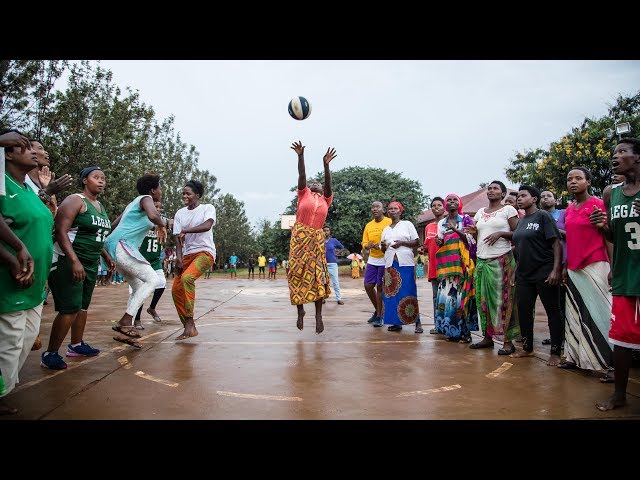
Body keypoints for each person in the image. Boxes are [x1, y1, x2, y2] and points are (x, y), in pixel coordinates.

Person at [0, 134, 53, 415]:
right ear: (7, 154)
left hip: (36, 282)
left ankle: (5, 386)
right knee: (10, 342)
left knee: (25, 340)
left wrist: (47, 189)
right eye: (27, 147)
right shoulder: (2, 184)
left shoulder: (28, 188)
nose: (35, 152)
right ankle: (2, 392)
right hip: (14, 278)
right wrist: (12, 256)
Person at [41, 166, 111, 369]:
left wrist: (105, 256)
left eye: (103, 178)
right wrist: (74, 261)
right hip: (68, 260)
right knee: (69, 308)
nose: (101, 181)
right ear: (84, 180)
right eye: (96, 177)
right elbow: (60, 232)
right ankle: (50, 353)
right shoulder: (75, 200)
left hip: (89, 263)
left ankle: (76, 345)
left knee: (82, 307)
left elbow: (98, 235)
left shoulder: (99, 206)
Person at [590, 137, 640, 411]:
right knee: (621, 340)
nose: (615, 156)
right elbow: (614, 235)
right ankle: (619, 395)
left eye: (622, 152)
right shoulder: (611, 193)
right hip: (625, 273)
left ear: (638, 158)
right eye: (614, 152)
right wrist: (602, 227)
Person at [559, 167, 613, 379]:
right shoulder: (570, 209)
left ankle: (606, 362)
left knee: (600, 313)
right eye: (569, 179)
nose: (573, 182)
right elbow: (569, 241)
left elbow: (609, 236)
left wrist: (613, 267)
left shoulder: (598, 204)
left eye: (578, 178)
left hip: (595, 263)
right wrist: (564, 267)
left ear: (588, 182)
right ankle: (577, 358)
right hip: (574, 267)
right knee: (575, 314)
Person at [103, 173, 168, 349]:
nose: (160, 191)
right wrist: (162, 224)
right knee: (153, 280)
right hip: (122, 246)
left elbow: (115, 223)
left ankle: (127, 326)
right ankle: (126, 320)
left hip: (116, 246)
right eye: (159, 188)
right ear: (153, 190)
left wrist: (106, 245)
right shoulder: (145, 198)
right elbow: (154, 216)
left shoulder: (133, 204)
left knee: (139, 286)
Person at [286, 141, 336, 334]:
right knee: (297, 272)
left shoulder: (326, 199)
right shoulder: (303, 193)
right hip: (300, 237)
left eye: (319, 183)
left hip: (316, 238)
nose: (315, 183)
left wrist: (326, 165)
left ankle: (318, 315)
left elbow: (328, 183)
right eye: (312, 183)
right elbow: (302, 176)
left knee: (318, 276)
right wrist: (300, 156)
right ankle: (300, 311)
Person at [510, 185, 563, 366]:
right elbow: (520, 249)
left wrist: (556, 269)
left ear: (534, 199)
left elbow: (556, 243)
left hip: (544, 272)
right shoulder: (521, 221)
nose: (519, 198)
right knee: (524, 310)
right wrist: (515, 272)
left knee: (553, 311)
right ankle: (527, 348)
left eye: (523, 196)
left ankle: (555, 352)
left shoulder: (543, 216)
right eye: (518, 196)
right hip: (524, 275)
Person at [467, 181, 520, 354]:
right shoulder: (481, 212)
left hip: (501, 261)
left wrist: (501, 233)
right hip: (482, 261)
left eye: (495, 188)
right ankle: (487, 337)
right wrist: (473, 232)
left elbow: (518, 234)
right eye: (489, 188)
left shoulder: (508, 210)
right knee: (483, 301)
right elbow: (478, 233)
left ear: (503, 194)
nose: (491, 190)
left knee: (503, 301)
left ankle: (507, 341)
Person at [172, 179, 216, 340]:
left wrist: (186, 230)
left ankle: (190, 322)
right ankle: (189, 327)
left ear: (197, 195)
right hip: (187, 254)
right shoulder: (179, 213)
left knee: (187, 278)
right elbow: (177, 239)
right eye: (183, 193)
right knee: (176, 290)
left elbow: (207, 225)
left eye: (188, 193)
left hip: (205, 252)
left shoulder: (207, 208)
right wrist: (178, 258)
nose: (184, 196)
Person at [433, 193, 478, 342]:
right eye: (449, 200)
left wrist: (455, 229)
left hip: (462, 266)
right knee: (447, 300)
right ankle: (452, 332)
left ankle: (466, 333)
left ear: (459, 204)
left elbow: (470, 241)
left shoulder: (465, 220)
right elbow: (441, 242)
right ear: (446, 205)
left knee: (461, 299)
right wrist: (439, 242)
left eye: (455, 200)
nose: (452, 202)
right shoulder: (441, 223)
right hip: (448, 267)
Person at [380, 201, 423, 333]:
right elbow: (383, 249)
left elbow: (417, 241)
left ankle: (417, 322)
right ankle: (396, 323)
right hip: (390, 265)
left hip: (405, 263)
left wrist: (402, 243)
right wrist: (382, 246)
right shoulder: (386, 229)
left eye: (395, 209)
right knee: (391, 294)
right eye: (390, 209)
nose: (393, 211)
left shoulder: (407, 224)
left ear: (400, 211)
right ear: (388, 212)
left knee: (409, 291)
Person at [130, 200, 168, 330]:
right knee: (140, 290)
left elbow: (172, 222)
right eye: (155, 206)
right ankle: (137, 319)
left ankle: (152, 308)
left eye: (159, 207)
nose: (158, 209)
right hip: (141, 260)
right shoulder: (142, 220)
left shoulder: (162, 221)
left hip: (155, 261)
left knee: (162, 283)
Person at [362, 201, 392, 326]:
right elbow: (364, 243)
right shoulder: (368, 225)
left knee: (380, 287)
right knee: (368, 285)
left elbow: (392, 239)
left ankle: (379, 316)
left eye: (377, 207)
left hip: (385, 259)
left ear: (383, 210)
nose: (375, 209)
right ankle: (378, 310)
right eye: (373, 207)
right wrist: (367, 245)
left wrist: (381, 246)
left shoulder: (389, 222)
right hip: (373, 259)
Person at [420, 196, 446, 333]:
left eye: (439, 205)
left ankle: (449, 325)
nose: (436, 207)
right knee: (436, 298)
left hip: (447, 268)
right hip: (433, 269)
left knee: (448, 298)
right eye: (434, 206)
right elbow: (427, 247)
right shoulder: (429, 226)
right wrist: (423, 249)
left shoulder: (448, 224)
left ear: (444, 207)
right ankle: (438, 325)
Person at [323, 224, 345, 305]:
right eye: (324, 230)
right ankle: (322, 298)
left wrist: (336, 254)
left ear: (330, 231)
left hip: (332, 264)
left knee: (335, 282)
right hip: (323, 265)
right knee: (323, 282)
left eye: (327, 230)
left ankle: (339, 299)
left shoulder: (333, 240)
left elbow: (342, 247)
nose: (326, 232)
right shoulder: (320, 240)